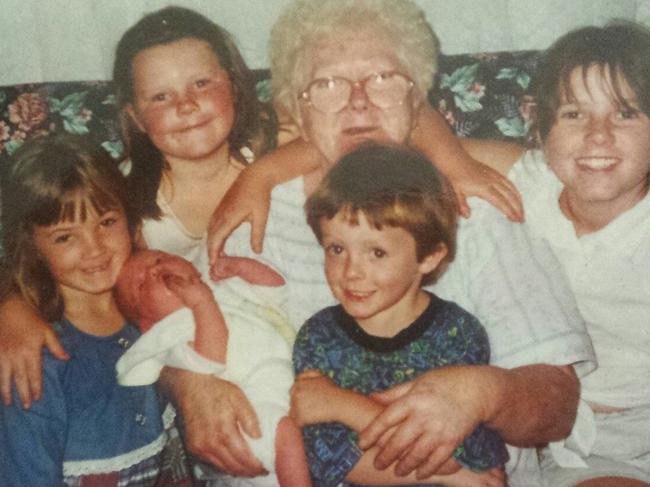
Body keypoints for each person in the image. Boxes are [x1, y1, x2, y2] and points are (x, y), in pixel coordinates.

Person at [190, 1, 593, 485]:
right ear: (295, 109)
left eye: (383, 79)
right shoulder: (254, 216)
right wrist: (188, 385)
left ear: (417, 99)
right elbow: (161, 307)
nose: (359, 102)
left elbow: (558, 404)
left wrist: (487, 393)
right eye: (328, 84)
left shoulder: (474, 210)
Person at [462, 23, 650, 487]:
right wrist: (264, 174)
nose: (598, 135)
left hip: (620, 443)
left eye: (625, 113)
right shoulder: (527, 183)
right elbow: (401, 134)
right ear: (541, 132)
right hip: (509, 424)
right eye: (573, 114)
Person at [291, 144, 508, 487]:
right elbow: (331, 460)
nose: (351, 272)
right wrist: (447, 477)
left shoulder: (457, 333)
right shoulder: (318, 336)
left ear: (429, 257)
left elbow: (469, 457)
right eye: (336, 249)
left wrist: (342, 405)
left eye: (376, 252)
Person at [0, 134, 183, 486]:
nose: (94, 248)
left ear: (129, 221)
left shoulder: (154, 308)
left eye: (106, 223)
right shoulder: (35, 358)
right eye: (65, 237)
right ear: (33, 247)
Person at [113, 249, 311, 487]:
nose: (155, 271)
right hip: (249, 413)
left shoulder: (224, 288)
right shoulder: (171, 334)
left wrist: (240, 267)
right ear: (148, 323)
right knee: (286, 435)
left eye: (160, 259)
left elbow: (275, 289)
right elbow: (211, 357)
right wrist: (201, 302)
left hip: (289, 388)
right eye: (142, 284)